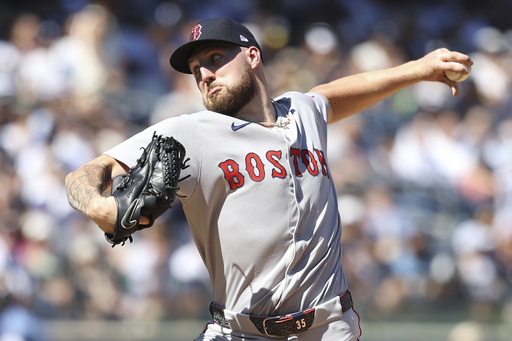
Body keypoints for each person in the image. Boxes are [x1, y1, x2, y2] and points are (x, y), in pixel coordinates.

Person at [65, 16, 473, 341]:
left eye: (214, 58)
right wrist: (99, 205)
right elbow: (84, 174)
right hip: (239, 331)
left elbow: (332, 94)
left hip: (328, 328)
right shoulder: (189, 133)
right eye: (195, 69)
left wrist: (418, 70)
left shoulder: (302, 112)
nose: (204, 74)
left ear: (253, 57)